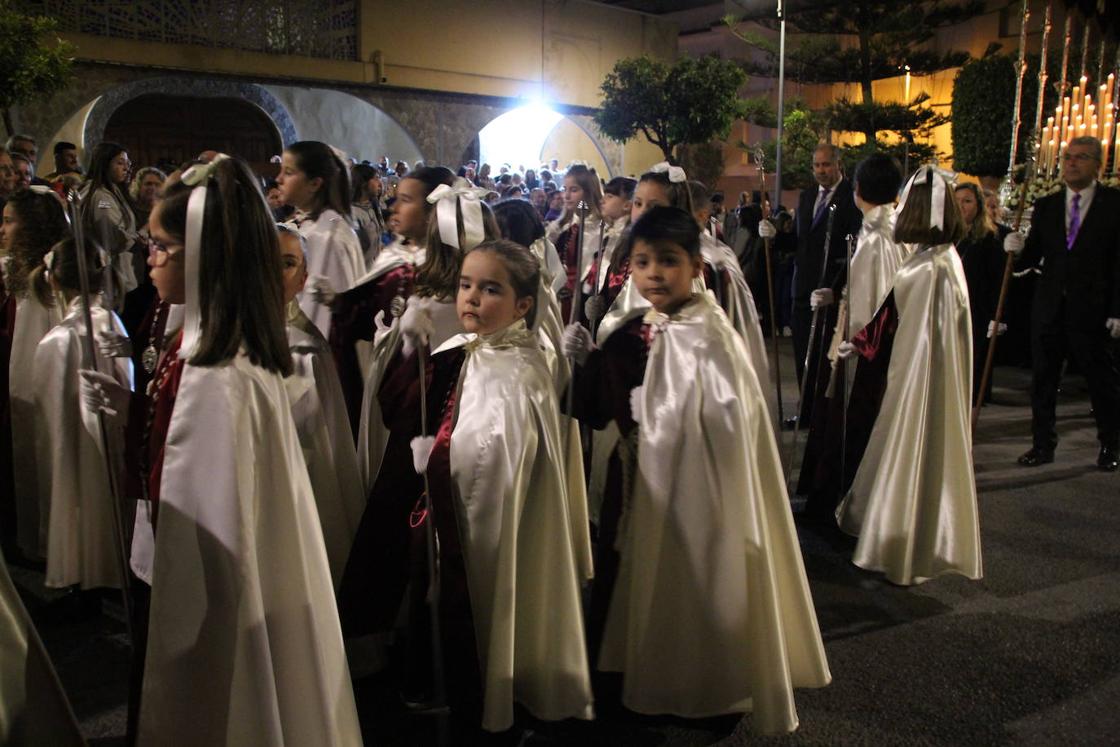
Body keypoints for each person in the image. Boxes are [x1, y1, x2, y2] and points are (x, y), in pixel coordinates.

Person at [83, 154, 361, 744]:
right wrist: (138, 414)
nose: (148, 257)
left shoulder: (218, 372)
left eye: (161, 246)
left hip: (212, 601)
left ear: (205, 254)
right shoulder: (200, 340)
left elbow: (208, 540)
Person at [563, 206, 830, 732]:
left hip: (699, 500)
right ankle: (632, 678)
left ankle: (704, 685)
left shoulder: (712, 337)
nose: (654, 274)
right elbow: (596, 406)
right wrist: (586, 362)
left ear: (695, 268)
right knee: (628, 587)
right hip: (635, 488)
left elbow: (727, 425)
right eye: (642, 262)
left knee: (698, 583)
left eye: (668, 261)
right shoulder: (634, 331)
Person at [398, 238, 594, 734]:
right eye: (465, 286)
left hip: (487, 525)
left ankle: (488, 689)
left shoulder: (524, 372)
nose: (470, 299)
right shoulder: (460, 351)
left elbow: (498, 459)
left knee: (488, 603)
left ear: (522, 306)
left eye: (489, 290)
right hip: (450, 515)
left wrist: (446, 461)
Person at [836, 165, 982, 585]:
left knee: (910, 443)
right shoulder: (942, 261)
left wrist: (862, 346)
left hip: (916, 381)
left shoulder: (927, 269)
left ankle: (900, 543)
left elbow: (894, 324)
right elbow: (893, 318)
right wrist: (863, 342)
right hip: (926, 376)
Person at [798, 153, 907, 520]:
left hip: (861, 350)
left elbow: (878, 301)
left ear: (857, 189)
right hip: (860, 339)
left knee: (850, 422)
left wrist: (857, 340)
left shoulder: (879, 237)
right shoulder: (886, 229)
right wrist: (835, 295)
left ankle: (841, 503)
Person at [1004, 135, 1120, 471]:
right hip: (1050, 306)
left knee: (1101, 381)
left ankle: (1110, 444)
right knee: (1043, 379)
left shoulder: (1113, 204)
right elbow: (1034, 255)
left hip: (1093, 308)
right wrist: (1017, 248)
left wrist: (1117, 310)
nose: (1071, 163)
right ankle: (1042, 444)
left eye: (1081, 157)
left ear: (1098, 165)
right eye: (1068, 157)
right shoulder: (1048, 205)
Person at [34, 237, 132, 591]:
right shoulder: (112, 320)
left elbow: (50, 423)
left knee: (75, 482)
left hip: (85, 441)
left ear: (54, 280)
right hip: (110, 435)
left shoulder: (59, 340)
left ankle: (82, 570)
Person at [328, 165, 455, 432]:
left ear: (434, 212)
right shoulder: (395, 258)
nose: (394, 207)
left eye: (406, 200)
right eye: (396, 198)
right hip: (388, 379)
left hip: (426, 389)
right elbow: (368, 314)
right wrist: (341, 304)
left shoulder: (447, 268)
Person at [277, 224, 363, 585]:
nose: (270, 274)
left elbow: (322, 453)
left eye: (286, 263)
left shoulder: (305, 352)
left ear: (303, 279)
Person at [760, 143, 861, 422]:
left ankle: (827, 415)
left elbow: (854, 248)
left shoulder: (851, 198)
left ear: (838, 164)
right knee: (803, 352)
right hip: (803, 288)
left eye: (826, 164)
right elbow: (801, 242)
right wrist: (776, 236)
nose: (821, 171)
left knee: (826, 359)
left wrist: (837, 287)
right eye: (816, 165)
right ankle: (805, 412)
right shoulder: (807, 197)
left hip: (830, 290)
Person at [3, 188, 70, 560]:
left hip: (41, 378)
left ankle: (47, 545)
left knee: (43, 454)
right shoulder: (19, 266)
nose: (3, 229)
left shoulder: (49, 272)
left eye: (10, 221)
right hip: (19, 372)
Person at [277, 140, 365, 337]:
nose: (278, 179)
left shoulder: (328, 236)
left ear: (314, 183)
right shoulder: (307, 225)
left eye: (288, 173)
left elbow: (324, 315)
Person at [954, 182, 1005, 406]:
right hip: (952, 306)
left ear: (978, 205)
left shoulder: (988, 238)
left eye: (967, 201)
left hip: (977, 308)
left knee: (971, 360)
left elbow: (997, 280)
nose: (961, 206)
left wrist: (997, 315)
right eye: (957, 201)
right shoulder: (948, 235)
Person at [80, 142, 140, 311]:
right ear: (104, 163)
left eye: (127, 163)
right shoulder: (100, 196)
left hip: (118, 273)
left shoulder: (113, 190)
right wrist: (137, 236)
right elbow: (112, 236)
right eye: (119, 163)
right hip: (110, 275)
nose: (126, 168)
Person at [350, 162, 386, 264]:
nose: (379, 183)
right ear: (363, 183)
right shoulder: (353, 214)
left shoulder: (372, 206)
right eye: (375, 178)